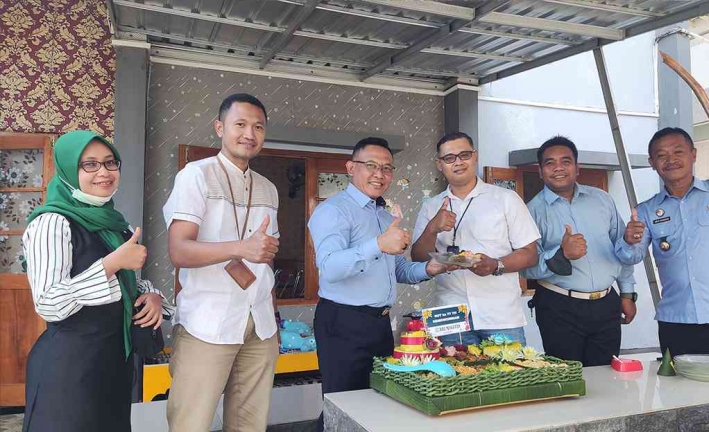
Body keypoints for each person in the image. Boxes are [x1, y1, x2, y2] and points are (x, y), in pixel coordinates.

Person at [21, 130, 173, 432]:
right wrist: (110, 263)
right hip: (69, 370)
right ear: (67, 169)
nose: (103, 172)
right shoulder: (51, 223)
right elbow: (49, 302)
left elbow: (128, 284)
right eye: (89, 164)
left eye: (110, 162)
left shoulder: (115, 222)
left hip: (113, 363)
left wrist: (152, 297)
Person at [308, 137, 449, 431]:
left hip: (379, 323)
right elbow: (330, 267)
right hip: (343, 322)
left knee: (377, 404)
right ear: (350, 168)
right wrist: (378, 244)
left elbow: (396, 269)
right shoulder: (334, 210)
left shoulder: (383, 214)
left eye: (386, 168)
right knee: (342, 406)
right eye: (370, 165)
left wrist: (430, 268)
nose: (379, 174)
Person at [164, 93, 281, 432]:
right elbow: (179, 251)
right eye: (240, 124)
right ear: (220, 128)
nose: (249, 134)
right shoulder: (195, 176)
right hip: (207, 322)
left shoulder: (268, 189)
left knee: (250, 423)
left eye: (258, 127)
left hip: (259, 324)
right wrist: (241, 248)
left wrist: (272, 317)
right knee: (191, 423)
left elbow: (265, 259)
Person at [616, 127, 709, 366]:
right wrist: (629, 240)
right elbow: (631, 257)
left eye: (678, 151)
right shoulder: (647, 210)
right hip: (677, 320)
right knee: (682, 393)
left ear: (693, 154)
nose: (670, 160)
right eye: (661, 155)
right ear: (652, 163)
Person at [411, 132, 540, 346]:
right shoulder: (431, 206)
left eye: (464, 155)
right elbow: (418, 258)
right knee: (456, 377)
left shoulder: (506, 199)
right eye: (449, 158)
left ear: (475, 156)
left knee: (509, 378)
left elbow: (530, 253)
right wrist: (432, 228)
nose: (458, 162)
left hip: (501, 315)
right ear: (439, 164)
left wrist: (496, 264)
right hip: (450, 315)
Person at [521, 136, 637, 367]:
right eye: (550, 163)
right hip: (558, 306)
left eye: (566, 161)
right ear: (541, 171)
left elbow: (621, 249)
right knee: (568, 381)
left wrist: (627, 293)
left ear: (577, 167)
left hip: (607, 304)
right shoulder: (530, 211)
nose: (558, 168)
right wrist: (561, 254)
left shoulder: (602, 200)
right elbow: (526, 268)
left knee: (607, 378)